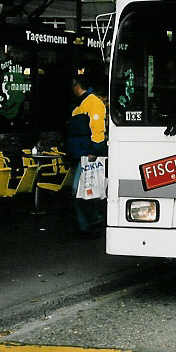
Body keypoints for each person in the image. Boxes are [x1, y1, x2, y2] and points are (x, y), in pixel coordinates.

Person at [65, 75, 107, 237]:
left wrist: (95, 151)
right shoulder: (83, 103)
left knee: (81, 189)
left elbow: (97, 130)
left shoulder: (91, 103)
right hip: (81, 155)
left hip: (87, 156)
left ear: (77, 85)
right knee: (85, 189)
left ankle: (91, 221)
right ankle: (89, 223)